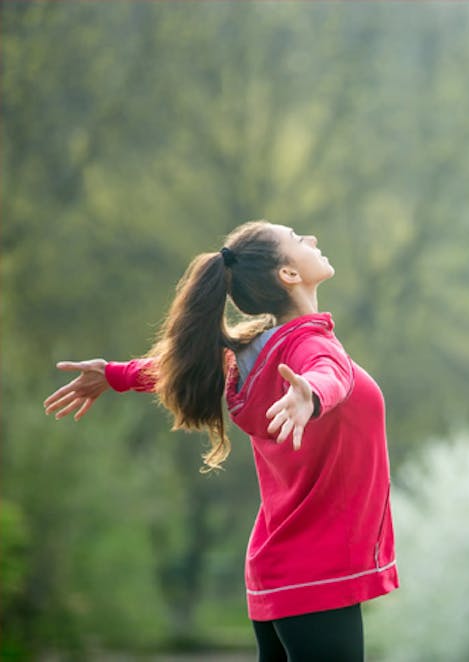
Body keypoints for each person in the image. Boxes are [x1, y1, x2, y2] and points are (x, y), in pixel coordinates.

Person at [43, 220, 398, 662]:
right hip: (315, 574)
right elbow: (329, 372)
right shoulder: (308, 345)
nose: (312, 239)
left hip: (281, 571)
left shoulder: (254, 352)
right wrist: (312, 394)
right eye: (296, 239)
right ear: (288, 275)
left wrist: (114, 374)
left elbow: (183, 365)